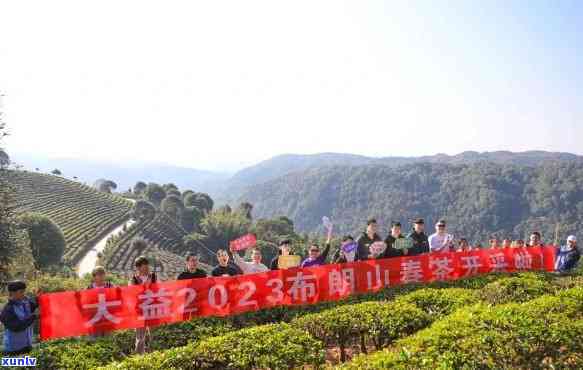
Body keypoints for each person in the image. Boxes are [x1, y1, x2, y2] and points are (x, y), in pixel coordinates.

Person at [0, 281, 39, 356]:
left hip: (27, 345)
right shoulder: (8, 310)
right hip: (14, 349)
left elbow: (33, 306)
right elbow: (17, 327)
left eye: (24, 291)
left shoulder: (24, 303)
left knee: (29, 365)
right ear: (12, 293)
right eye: (21, 292)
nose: (23, 294)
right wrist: (34, 316)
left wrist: (38, 298)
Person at [130, 255, 157, 354]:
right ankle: (139, 357)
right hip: (140, 312)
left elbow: (159, 289)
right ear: (138, 268)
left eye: (147, 266)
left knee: (154, 334)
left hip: (153, 310)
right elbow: (132, 294)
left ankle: (152, 354)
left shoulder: (153, 276)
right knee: (140, 337)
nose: (147, 269)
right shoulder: (134, 280)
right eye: (144, 267)